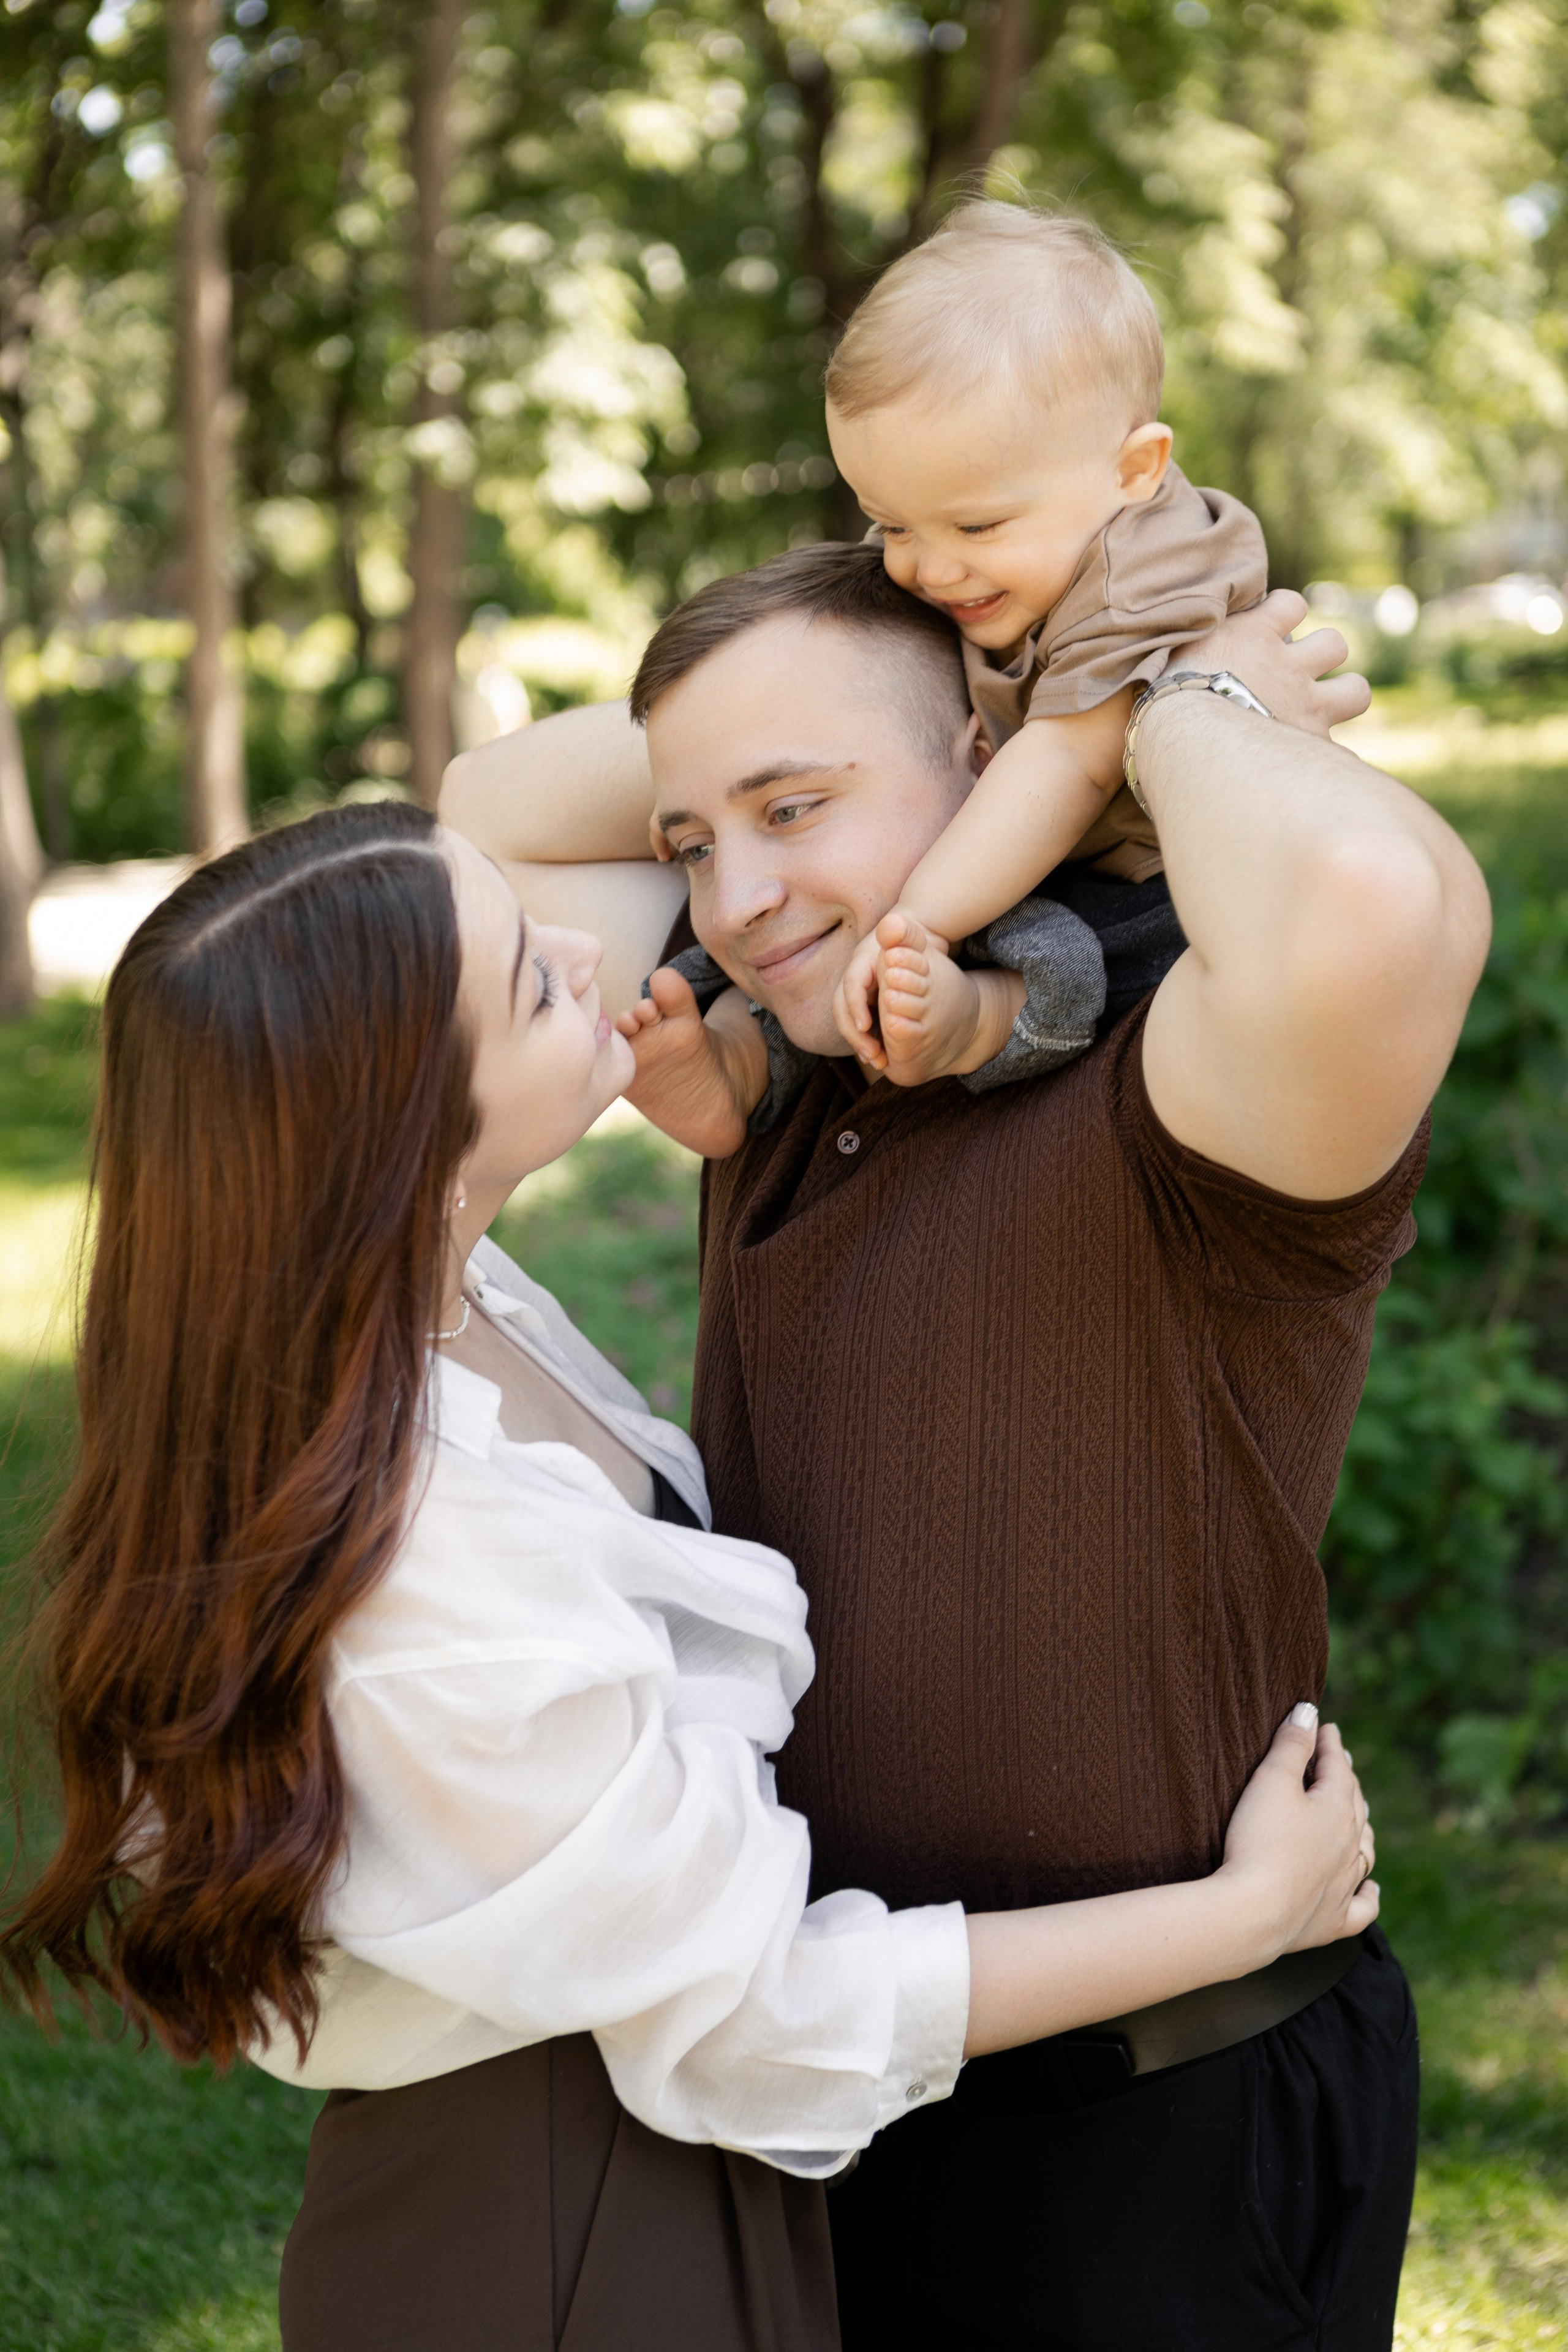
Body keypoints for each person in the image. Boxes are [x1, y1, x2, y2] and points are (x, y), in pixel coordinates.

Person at [0, 801, 1378, 2352]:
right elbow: (759, 2015)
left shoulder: (426, 1307)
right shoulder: (429, 1565)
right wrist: (1244, 1915)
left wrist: (1046, 692)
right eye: (527, 980)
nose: (590, 950)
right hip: (558, 2216)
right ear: (402, 1132)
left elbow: (567, 772)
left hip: (634, 2137)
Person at [441, 551, 1491, 2348]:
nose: (743, 897)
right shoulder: (782, 1064)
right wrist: (969, 714)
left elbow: (1366, 887)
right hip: (824, 2071)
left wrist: (1131, 710)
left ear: (997, 777)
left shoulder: (1188, 1084)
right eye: (697, 840)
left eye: (795, 808)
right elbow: (488, 821)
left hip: (1157, 2119)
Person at [614, 202, 1269, 1150]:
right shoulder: (1015, 546)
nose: (927, 569)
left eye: (973, 528)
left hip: (1148, 901)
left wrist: (912, 921)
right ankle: (739, 1065)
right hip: (1023, 851)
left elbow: (1067, 766)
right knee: (783, 934)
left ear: (1135, 469)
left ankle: (974, 1025)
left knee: (1013, 959)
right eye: (893, 524)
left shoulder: (1140, 571)